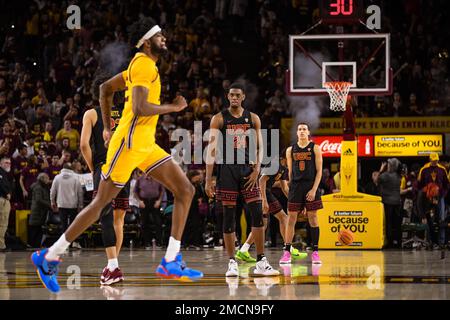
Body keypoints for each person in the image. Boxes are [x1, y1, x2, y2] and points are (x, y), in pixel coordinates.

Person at [31, 18, 202, 293]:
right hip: (129, 146)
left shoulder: (139, 64)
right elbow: (140, 106)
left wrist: (109, 127)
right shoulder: (144, 64)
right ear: (147, 41)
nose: (165, 38)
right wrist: (173, 107)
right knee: (101, 203)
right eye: (160, 36)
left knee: (185, 189)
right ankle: (49, 256)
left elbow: (105, 90)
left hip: (144, 145)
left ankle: (171, 259)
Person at [205, 82, 279, 277]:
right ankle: (232, 262)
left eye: (238, 95)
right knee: (228, 218)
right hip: (227, 169)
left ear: (243, 97)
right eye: (231, 95)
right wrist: (207, 179)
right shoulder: (219, 119)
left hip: (248, 171)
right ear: (228, 97)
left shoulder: (253, 118)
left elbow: (259, 147)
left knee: (257, 214)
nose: (235, 98)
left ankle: (261, 261)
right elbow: (211, 151)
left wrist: (257, 169)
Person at [80, 78, 130, 285]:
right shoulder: (127, 113)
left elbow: (84, 145)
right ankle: (113, 266)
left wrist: (94, 169)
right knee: (119, 219)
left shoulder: (92, 113)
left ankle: (113, 266)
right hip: (125, 165)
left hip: (105, 166)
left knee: (106, 218)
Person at [235, 154, 306, 262]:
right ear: (284, 158)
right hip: (260, 192)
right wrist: (264, 200)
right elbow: (261, 181)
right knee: (283, 218)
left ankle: (244, 250)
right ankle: (289, 248)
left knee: (262, 225)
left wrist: (295, 202)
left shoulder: (284, 169)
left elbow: (285, 188)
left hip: (265, 193)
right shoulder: (275, 164)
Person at [283, 123, 323, 265]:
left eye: (304, 129)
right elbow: (290, 172)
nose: (301, 131)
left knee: (312, 217)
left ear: (308, 133)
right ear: (296, 133)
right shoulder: (290, 150)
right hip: (296, 187)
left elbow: (319, 172)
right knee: (291, 218)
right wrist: (290, 188)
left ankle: (316, 252)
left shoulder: (315, 148)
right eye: (299, 129)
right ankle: (287, 251)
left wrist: (313, 190)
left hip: (310, 185)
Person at [417, 153, 449, 249]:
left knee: (441, 218)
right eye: (433, 160)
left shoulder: (442, 170)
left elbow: (446, 184)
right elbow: (420, 184)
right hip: (427, 198)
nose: (435, 162)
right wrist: (426, 193)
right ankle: (429, 242)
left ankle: (441, 242)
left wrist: (442, 195)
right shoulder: (424, 169)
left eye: (436, 160)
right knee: (429, 219)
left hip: (440, 197)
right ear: (430, 160)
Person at [378, 158, 402, 248]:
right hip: (397, 202)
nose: (387, 165)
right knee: (397, 223)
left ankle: (390, 242)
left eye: (388, 164)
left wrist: (381, 169)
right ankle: (398, 242)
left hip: (388, 202)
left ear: (391, 166)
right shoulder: (398, 175)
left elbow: (377, 180)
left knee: (388, 222)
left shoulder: (385, 175)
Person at [28, 173, 51, 248]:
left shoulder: (42, 186)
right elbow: (38, 200)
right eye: (47, 178)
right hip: (37, 211)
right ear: (43, 179)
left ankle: (36, 245)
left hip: (40, 211)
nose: (48, 180)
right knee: (35, 229)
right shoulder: (38, 187)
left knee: (38, 229)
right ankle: (33, 245)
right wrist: (49, 205)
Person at [0, 156, 12, 251]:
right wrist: (6, 193)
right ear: (1, 164)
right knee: (2, 223)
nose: (8, 164)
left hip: (3, 199)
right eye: (6, 163)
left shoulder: (5, 173)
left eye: (9, 163)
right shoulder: (0, 172)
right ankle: (1, 245)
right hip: (2, 200)